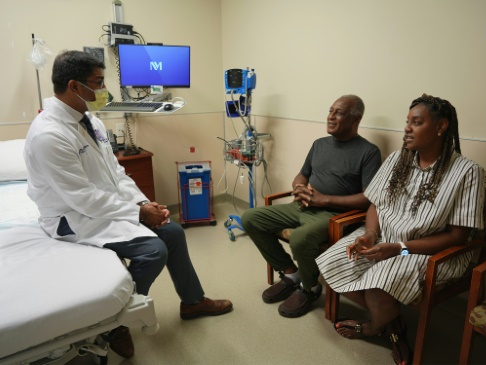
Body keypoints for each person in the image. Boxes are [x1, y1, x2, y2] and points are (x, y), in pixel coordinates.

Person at [23, 50, 232, 358]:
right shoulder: (49, 135)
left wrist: (145, 204)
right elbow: (82, 198)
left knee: (172, 231)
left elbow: (116, 173)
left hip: (103, 207)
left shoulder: (89, 120)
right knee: (153, 251)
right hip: (72, 217)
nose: (103, 88)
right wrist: (137, 213)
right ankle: (113, 323)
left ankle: (192, 301)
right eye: (98, 82)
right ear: (74, 86)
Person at [316, 94, 486, 365]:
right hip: (384, 239)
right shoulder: (398, 159)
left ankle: (374, 325)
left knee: (377, 285)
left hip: (424, 252)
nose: (406, 128)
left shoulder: (467, 172)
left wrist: (399, 249)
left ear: (441, 127)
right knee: (332, 263)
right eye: (407, 122)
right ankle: (393, 324)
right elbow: (375, 204)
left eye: (416, 122)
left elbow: (457, 236)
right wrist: (370, 235)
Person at [241, 95, 382, 318]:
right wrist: (298, 187)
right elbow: (302, 174)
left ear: (355, 119)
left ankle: (310, 287)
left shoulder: (368, 152)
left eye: (339, 113)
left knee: (299, 238)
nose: (330, 116)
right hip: (302, 206)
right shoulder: (319, 144)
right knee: (250, 218)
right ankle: (291, 274)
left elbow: (368, 198)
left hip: (334, 216)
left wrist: (323, 200)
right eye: (330, 110)